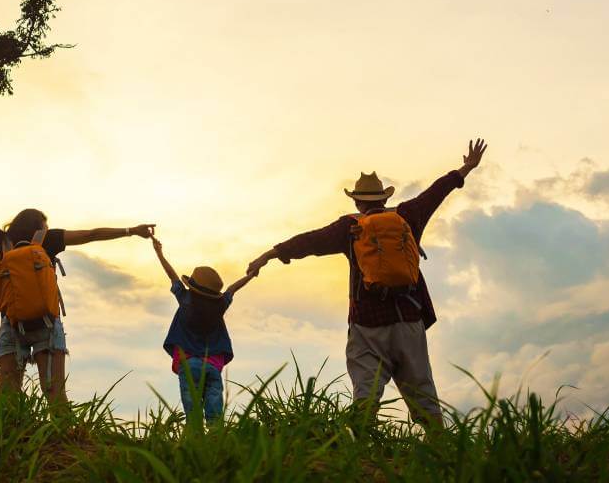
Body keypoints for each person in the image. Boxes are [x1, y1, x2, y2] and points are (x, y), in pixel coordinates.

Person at [246, 139, 488, 425]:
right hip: (409, 318)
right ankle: (444, 455)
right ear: (384, 199)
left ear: (357, 201)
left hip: (367, 324)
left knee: (366, 393)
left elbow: (309, 241)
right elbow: (436, 192)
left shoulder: (349, 227)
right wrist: (466, 168)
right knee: (423, 394)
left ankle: (359, 455)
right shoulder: (408, 216)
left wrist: (270, 254)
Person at [0, 172, 154, 404]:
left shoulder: (3, 241)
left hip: (11, 323)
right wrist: (131, 231)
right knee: (56, 396)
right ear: (40, 225)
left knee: (6, 399)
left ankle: (12, 437)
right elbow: (91, 235)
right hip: (46, 323)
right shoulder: (48, 238)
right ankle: (65, 437)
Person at [150, 232, 258, 422]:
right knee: (214, 405)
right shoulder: (219, 306)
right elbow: (232, 288)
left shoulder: (186, 299)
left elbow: (171, 275)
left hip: (188, 363)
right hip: (213, 365)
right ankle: (215, 435)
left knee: (192, 407)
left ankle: (195, 433)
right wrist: (250, 276)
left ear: (193, 286)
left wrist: (159, 253)